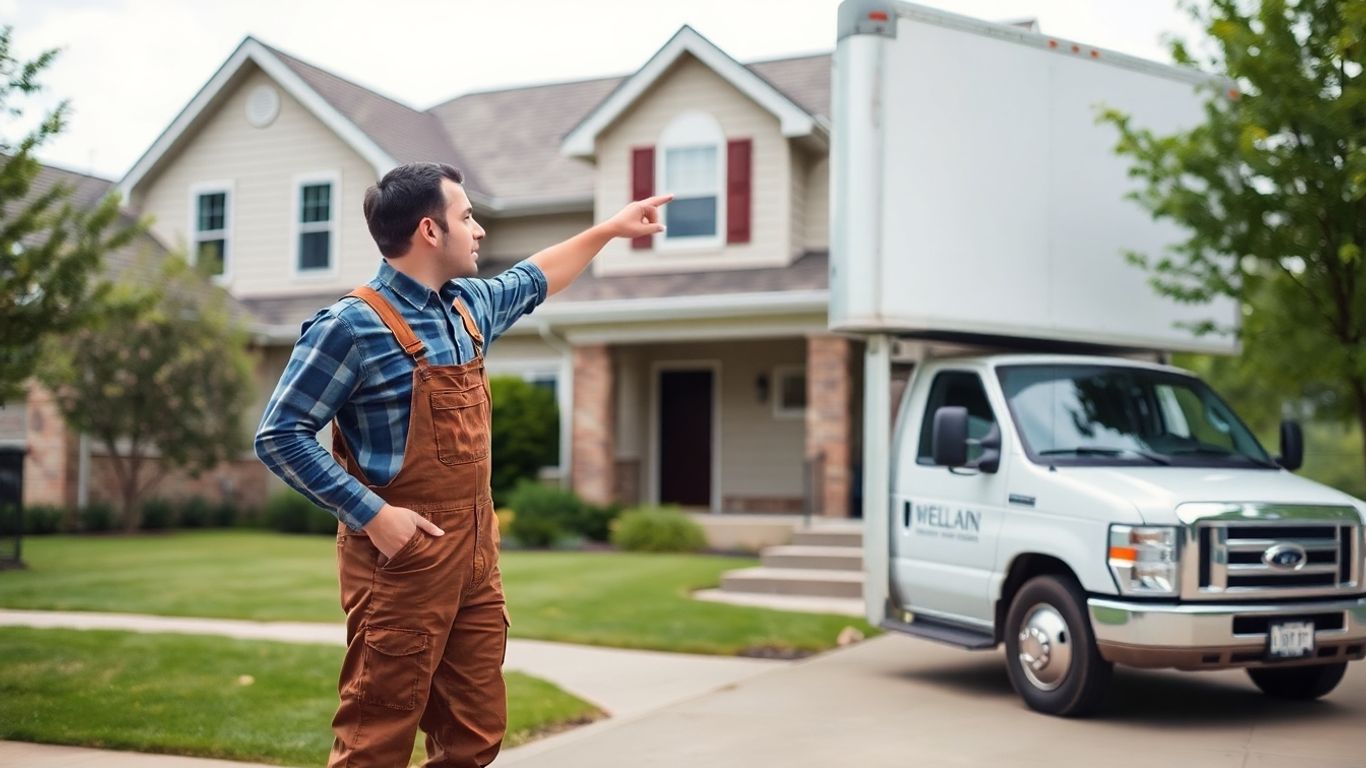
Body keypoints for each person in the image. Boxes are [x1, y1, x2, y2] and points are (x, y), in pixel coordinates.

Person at [255, 161, 670, 767]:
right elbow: (280, 435)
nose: (478, 231)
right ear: (430, 230)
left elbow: (537, 276)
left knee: (474, 735)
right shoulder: (349, 327)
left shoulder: (467, 309)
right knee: (377, 735)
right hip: (402, 559)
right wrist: (373, 515)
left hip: (476, 551)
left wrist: (608, 229)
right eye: (467, 217)